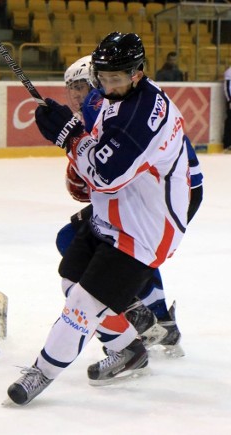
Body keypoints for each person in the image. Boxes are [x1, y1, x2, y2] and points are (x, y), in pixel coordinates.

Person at [7, 32, 191, 406]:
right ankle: (129, 349)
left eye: (116, 79)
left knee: (83, 306)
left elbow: (107, 174)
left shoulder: (143, 118)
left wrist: (68, 138)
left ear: (138, 73)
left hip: (143, 232)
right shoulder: (118, 95)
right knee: (70, 280)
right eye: (103, 78)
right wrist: (73, 133)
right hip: (116, 213)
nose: (108, 86)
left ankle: (41, 372)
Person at [57, 55, 204, 357]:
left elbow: (110, 173)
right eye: (69, 87)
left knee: (123, 247)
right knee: (115, 246)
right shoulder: (116, 103)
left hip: (170, 196)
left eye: (79, 85)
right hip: (174, 192)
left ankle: (142, 314)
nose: (74, 94)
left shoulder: (99, 104)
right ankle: (156, 316)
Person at [223, 65, 231, 152]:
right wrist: (229, 100)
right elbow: (227, 87)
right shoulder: (229, 72)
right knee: (230, 122)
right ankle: (228, 143)